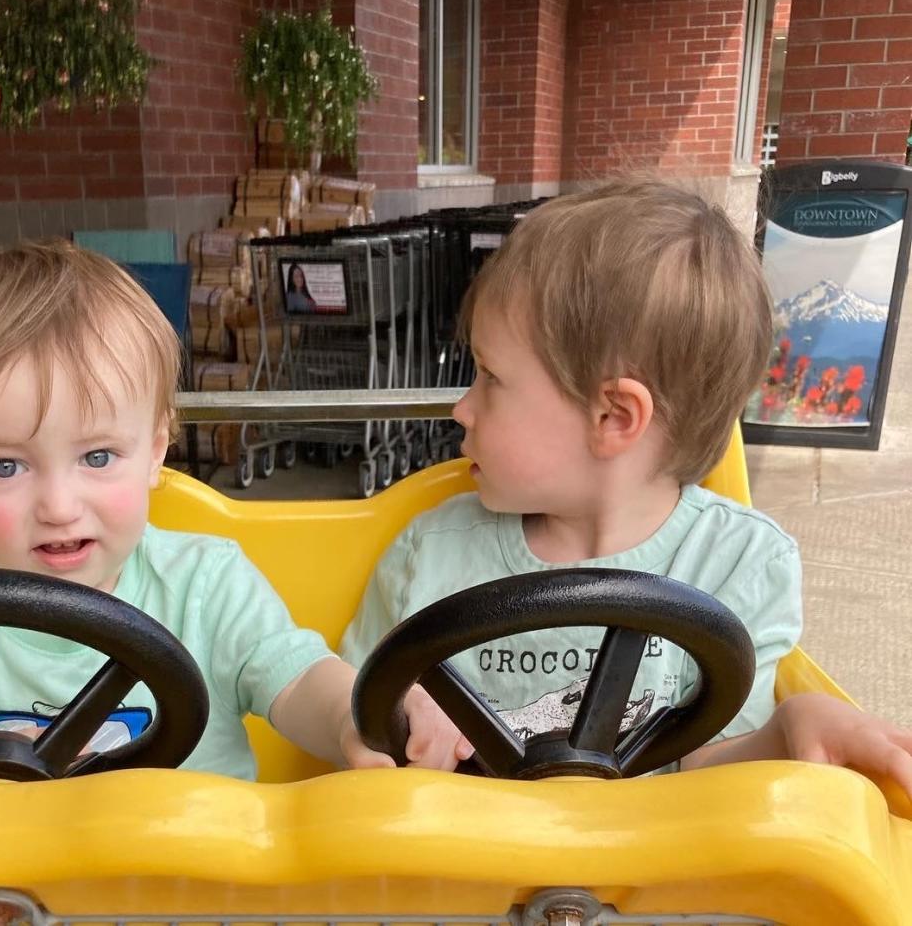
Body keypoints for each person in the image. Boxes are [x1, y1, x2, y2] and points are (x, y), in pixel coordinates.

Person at [340, 178, 912, 792]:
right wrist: (400, 725)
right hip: (459, 875)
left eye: (489, 378)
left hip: (653, 882)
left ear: (612, 418)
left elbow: (708, 779)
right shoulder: (430, 552)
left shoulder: (739, 564)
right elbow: (352, 717)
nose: (462, 408)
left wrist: (789, 728)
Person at [0, 239, 462, 780]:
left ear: (156, 451)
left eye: (97, 455)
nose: (60, 507)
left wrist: (357, 716)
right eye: (5, 467)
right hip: (25, 885)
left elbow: (297, 677)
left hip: (205, 874)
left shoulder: (202, 585)